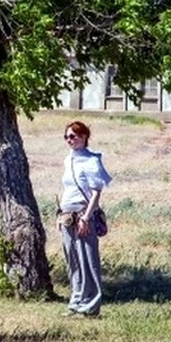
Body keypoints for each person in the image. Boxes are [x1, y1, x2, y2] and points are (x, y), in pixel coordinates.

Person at [58, 121, 112, 317]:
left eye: (73, 136)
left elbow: (96, 193)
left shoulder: (91, 160)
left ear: (84, 137)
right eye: (67, 137)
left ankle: (91, 304)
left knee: (88, 259)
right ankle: (76, 300)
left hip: (83, 214)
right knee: (72, 260)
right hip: (67, 215)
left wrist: (86, 218)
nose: (70, 140)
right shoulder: (68, 160)